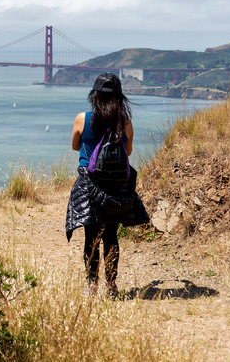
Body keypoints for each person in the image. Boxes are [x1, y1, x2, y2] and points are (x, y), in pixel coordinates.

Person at [65, 72, 148, 299]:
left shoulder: (82, 118)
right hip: (116, 186)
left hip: (89, 183)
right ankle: (111, 286)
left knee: (91, 235)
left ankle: (91, 286)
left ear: (95, 95)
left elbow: (74, 145)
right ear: (119, 97)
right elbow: (128, 152)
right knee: (111, 235)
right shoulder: (125, 122)